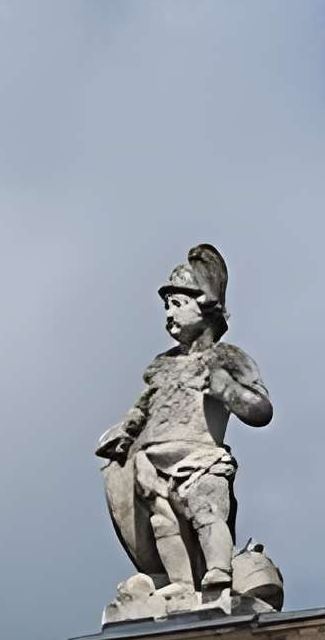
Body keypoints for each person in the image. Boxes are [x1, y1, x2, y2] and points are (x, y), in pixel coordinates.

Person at [96, 243, 273, 601]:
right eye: (166, 307)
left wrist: (226, 390)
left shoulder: (223, 357)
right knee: (163, 522)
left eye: (176, 304)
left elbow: (260, 410)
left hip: (199, 457)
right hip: (152, 462)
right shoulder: (162, 365)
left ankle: (219, 572)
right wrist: (126, 429)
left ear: (204, 305)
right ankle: (179, 581)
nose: (168, 315)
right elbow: (144, 408)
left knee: (207, 514)